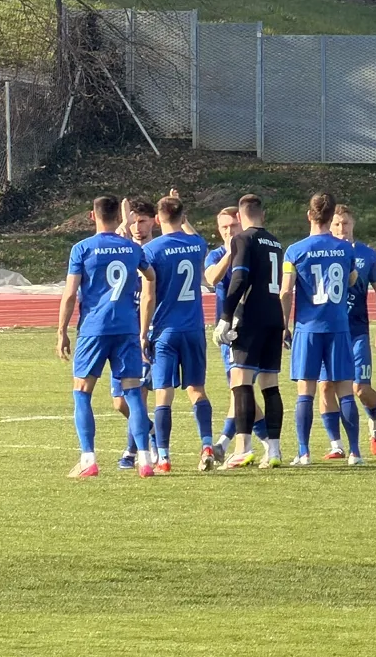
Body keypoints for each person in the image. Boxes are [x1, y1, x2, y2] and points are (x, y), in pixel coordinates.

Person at [56, 195, 151, 479]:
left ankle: (88, 459)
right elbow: (150, 274)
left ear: (92, 216)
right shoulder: (131, 248)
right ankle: (145, 460)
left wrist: (61, 331)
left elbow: (70, 294)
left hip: (94, 329)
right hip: (126, 327)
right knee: (133, 391)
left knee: (82, 391)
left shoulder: (82, 248)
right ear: (118, 217)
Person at [282, 192, 361, 467]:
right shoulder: (345, 249)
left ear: (309, 215)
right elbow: (352, 280)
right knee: (345, 390)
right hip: (338, 326)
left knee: (306, 391)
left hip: (308, 328)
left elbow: (285, 291)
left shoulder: (295, 251)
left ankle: (304, 453)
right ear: (331, 217)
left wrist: (284, 325)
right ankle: (355, 453)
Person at [136, 196, 214, 473]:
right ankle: (207, 445)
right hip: (194, 328)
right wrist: (184, 218)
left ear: (157, 219)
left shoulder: (152, 250)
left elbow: (148, 296)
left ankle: (164, 457)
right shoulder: (196, 244)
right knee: (197, 390)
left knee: (163, 394)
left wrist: (143, 332)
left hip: (165, 330)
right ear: (183, 216)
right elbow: (197, 238)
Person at [216, 194, 289, 468]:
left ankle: (243, 448)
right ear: (263, 214)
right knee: (270, 385)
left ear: (239, 216)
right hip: (274, 316)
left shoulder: (242, 239)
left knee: (241, 381)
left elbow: (239, 278)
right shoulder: (275, 242)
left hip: (251, 316)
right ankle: (274, 451)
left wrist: (225, 317)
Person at [332, 203, 376, 453]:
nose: (341, 228)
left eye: (345, 223)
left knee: (360, 388)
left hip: (357, 332)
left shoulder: (367, 254)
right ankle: (336, 445)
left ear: (353, 223)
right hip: (329, 331)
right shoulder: (324, 252)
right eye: (336, 224)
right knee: (326, 387)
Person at [112, 197, 159, 468]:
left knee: (138, 393)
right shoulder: (124, 251)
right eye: (134, 222)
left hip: (149, 332)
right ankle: (151, 431)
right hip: (123, 332)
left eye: (143, 221)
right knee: (119, 402)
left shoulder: (156, 252)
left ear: (154, 221)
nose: (138, 227)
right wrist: (123, 224)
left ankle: (132, 450)